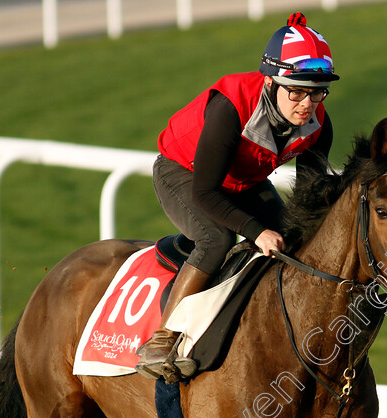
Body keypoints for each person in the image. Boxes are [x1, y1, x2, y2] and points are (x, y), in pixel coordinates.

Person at [136, 12, 339, 382]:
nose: (307, 104)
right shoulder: (230, 106)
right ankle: (162, 338)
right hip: (184, 173)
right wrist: (256, 231)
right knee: (217, 237)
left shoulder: (318, 124)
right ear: (271, 81)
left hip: (243, 180)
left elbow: (309, 200)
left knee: (297, 240)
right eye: (296, 90)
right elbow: (205, 191)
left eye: (317, 91)